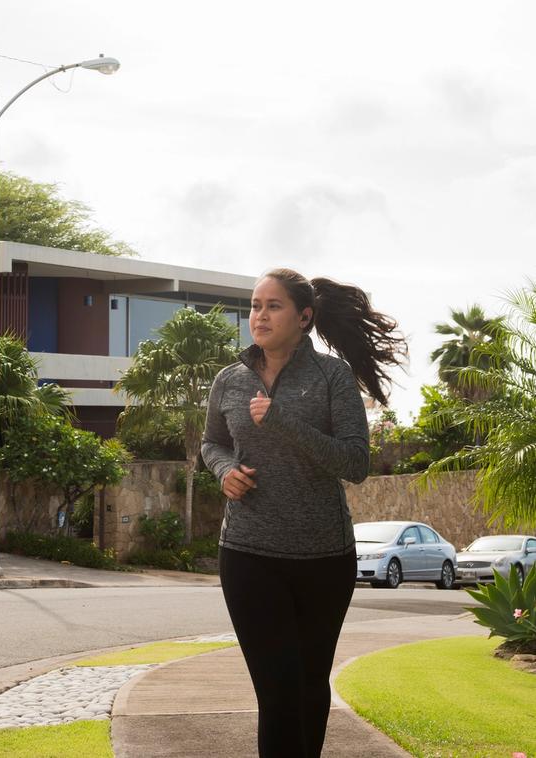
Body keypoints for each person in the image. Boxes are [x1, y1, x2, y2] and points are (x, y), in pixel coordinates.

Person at [201, 268, 407, 758]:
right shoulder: (230, 379)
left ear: (304, 316)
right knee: (277, 692)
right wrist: (224, 469)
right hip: (248, 554)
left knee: (310, 687)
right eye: (255, 305)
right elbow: (212, 442)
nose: (260, 315)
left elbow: (355, 463)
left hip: (323, 557)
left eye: (273, 306)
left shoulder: (332, 376)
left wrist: (282, 421)